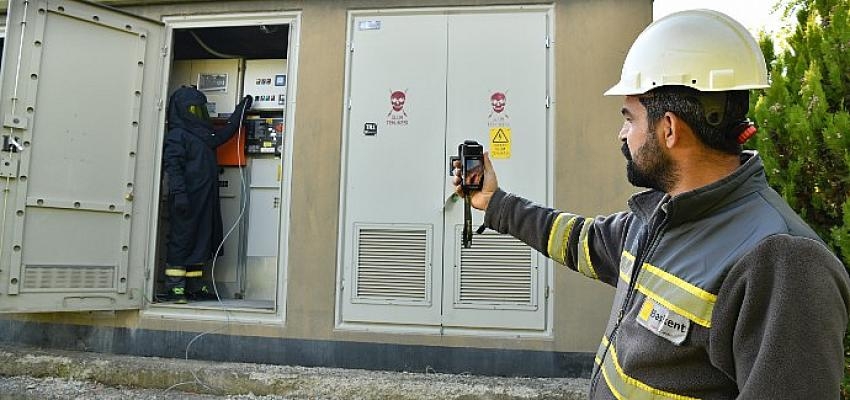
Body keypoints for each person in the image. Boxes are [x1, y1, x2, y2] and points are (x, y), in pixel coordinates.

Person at [453, 9, 850, 399]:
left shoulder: (784, 262)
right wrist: (494, 202)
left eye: (629, 118)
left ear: (669, 129)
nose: (622, 134)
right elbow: (580, 240)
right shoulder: (660, 218)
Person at [162, 86, 252, 304]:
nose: (199, 113)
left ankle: (194, 287)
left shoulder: (202, 134)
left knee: (201, 240)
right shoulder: (177, 135)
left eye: (201, 109)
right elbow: (173, 166)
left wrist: (239, 112)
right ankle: (176, 289)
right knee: (182, 241)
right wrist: (179, 194)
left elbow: (221, 136)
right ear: (183, 110)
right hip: (186, 199)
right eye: (194, 109)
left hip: (204, 198)